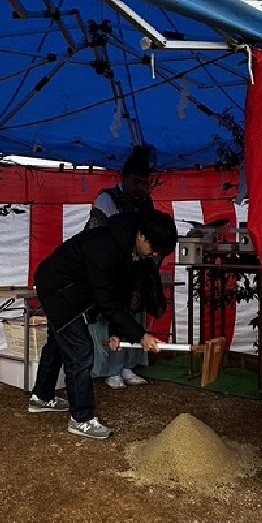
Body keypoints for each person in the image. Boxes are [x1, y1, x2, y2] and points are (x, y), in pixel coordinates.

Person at [29, 208, 179, 440]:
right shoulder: (106, 247)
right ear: (142, 236)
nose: (154, 255)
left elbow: (119, 295)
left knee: (59, 341)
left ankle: (42, 396)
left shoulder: (129, 249)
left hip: (73, 290)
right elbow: (107, 300)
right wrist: (140, 335)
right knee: (80, 349)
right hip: (57, 288)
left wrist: (119, 333)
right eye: (154, 248)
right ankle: (82, 418)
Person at [84, 145, 163, 389]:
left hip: (137, 270)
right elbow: (96, 233)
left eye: (145, 183)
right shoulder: (107, 199)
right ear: (124, 178)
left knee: (135, 315)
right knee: (113, 317)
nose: (140, 188)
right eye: (137, 182)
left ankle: (130, 365)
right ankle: (112, 369)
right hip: (113, 267)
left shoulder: (145, 202)